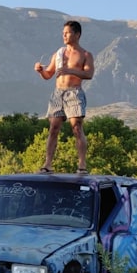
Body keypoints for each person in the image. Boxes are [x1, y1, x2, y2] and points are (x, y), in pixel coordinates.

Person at [34, 20, 94, 174]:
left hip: (74, 92)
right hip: (57, 93)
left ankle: (82, 165)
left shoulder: (85, 55)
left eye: (67, 33)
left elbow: (89, 74)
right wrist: (41, 70)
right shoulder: (58, 54)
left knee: (76, 128)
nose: (64, 35)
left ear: (77, 34)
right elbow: (49, 75)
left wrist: (70, 71)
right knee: (53, 128)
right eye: (63, 33)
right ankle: (47, 164)